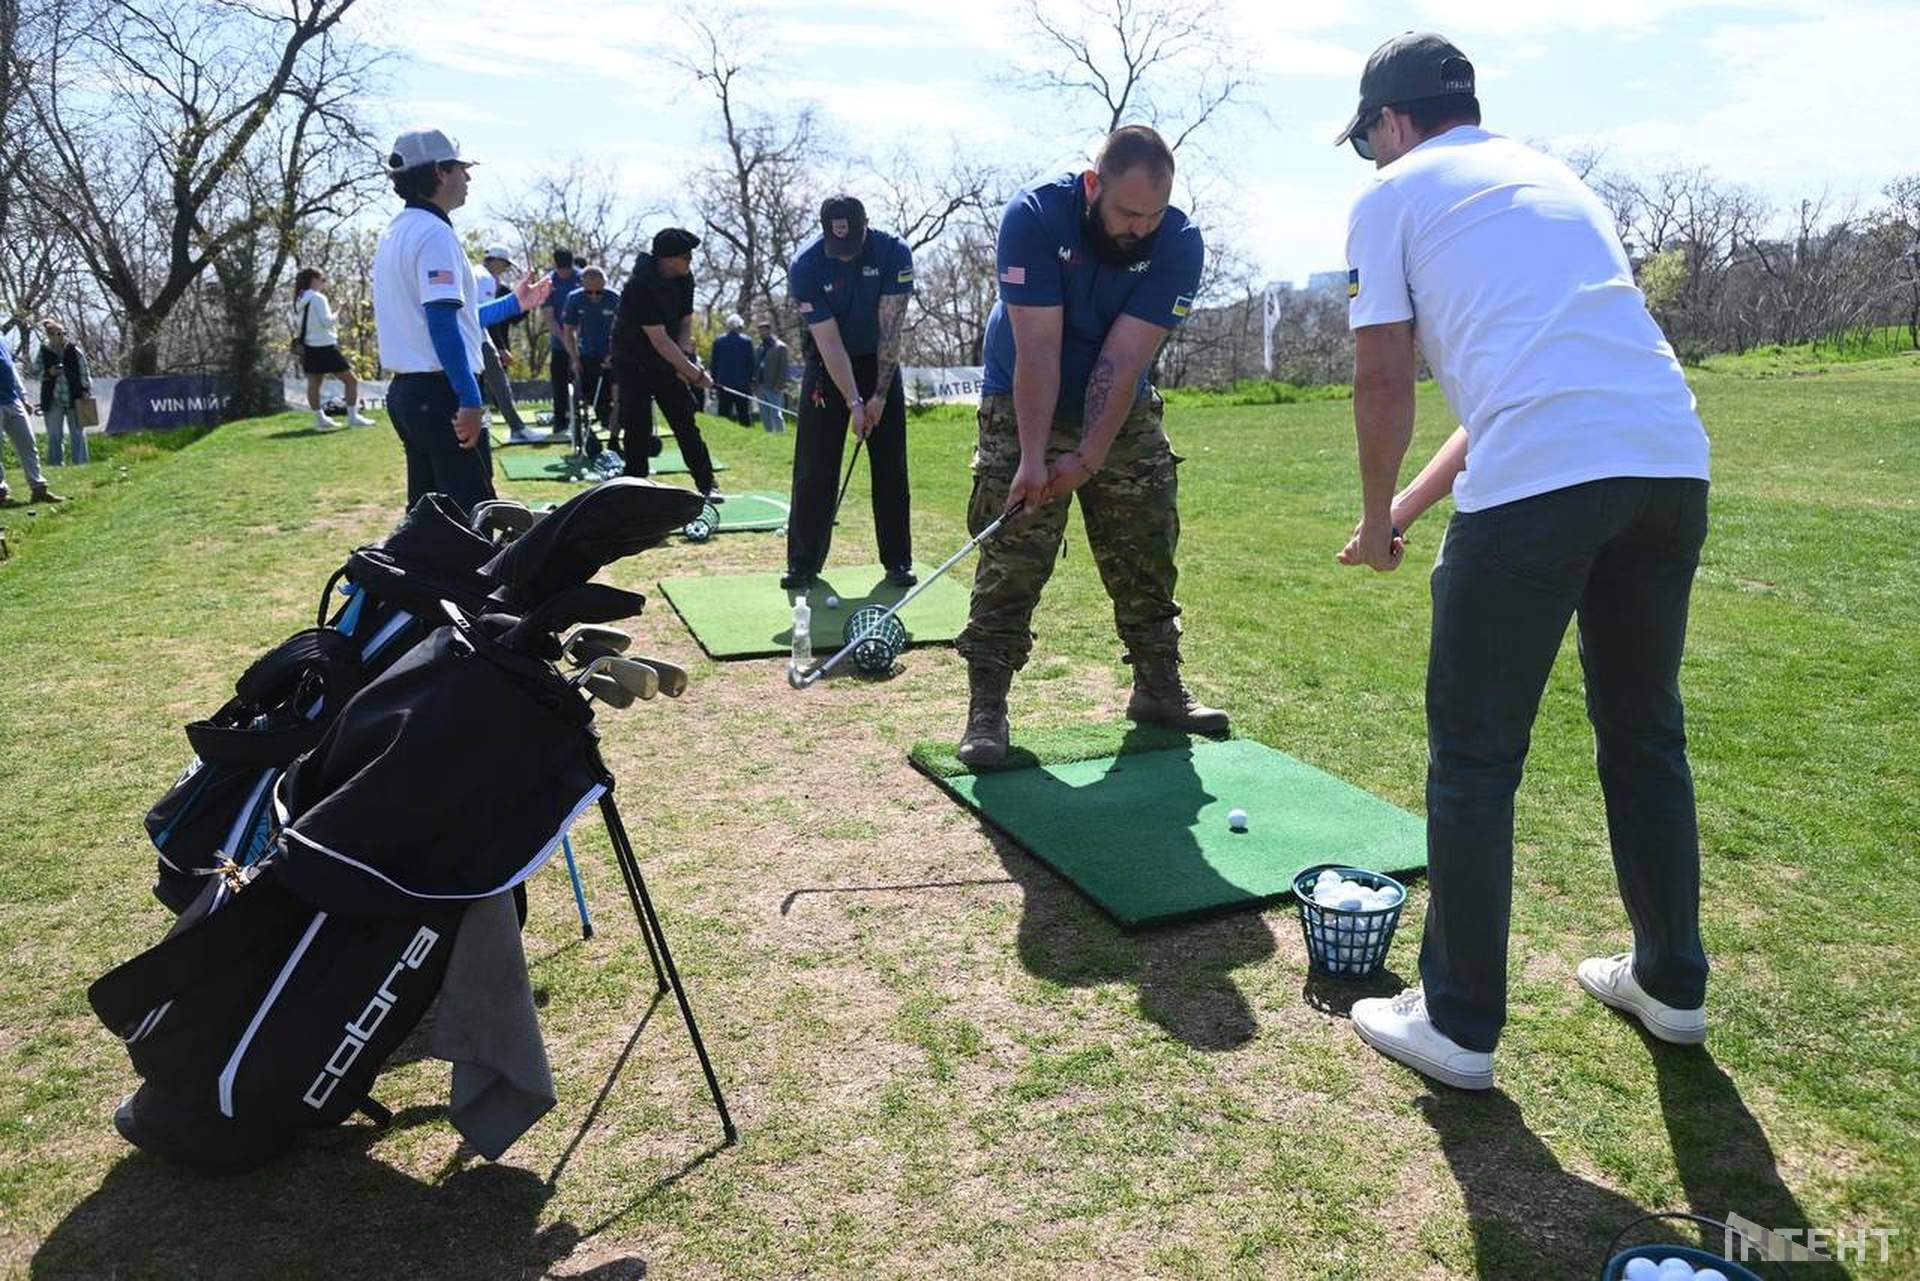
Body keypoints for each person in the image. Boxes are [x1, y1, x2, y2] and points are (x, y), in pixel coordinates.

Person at [1328, 34, 1714, 1091]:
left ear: (1391, 122)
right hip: (1669, 468)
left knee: (1475, 756)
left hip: (1546, 486)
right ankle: (1672, 982)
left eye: (1367, 138)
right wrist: (1398, 512)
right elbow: (1516, 394)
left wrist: (1368, 510)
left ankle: (1455, 1022)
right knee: (1645, 735)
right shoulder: (1553, 179)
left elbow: (1381, 380)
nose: (1370, 158)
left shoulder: (1395, 192)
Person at [953, 127, 1229, 766]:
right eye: (1128, 213)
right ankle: (986, 711)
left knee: (1147, 541)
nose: (1140, 228)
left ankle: (1158, 686)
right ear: (1092, 186)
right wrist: (1032, 458)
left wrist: (1089, 457)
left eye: (1153, 215)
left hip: (1120, 402)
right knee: (1014, 553)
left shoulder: (1179, 242)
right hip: (1022, 392)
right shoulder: (1033, 217)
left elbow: (1126, 355)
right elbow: (1039, 352)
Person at [371, 127, 550, 510]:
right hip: (441, 395)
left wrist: (513, 305)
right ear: (439, 171)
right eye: (461, 168)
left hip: (409, 393)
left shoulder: (396, 232)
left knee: (429, 521)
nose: (467, 177)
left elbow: (456, 318)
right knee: (475, 518)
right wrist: (469, 398)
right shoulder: (435, 234)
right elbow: (441, 323)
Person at [781, 195, 915, 591]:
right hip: (827, 365)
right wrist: (854, 401)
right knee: (814, 467)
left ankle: (898, 561)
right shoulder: (805, 266)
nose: (842, 254)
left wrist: (877, 396)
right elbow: (829, 340)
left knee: (890, 467)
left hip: (879, 362)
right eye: (835, 245)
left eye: (850, 245)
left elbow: (890, 333)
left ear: (865, 226)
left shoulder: (893, 252)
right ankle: (803, 563)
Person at [606, 228, 721, 499]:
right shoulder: (639, 285)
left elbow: (684, 324)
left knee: (684, 421)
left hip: (666, 361)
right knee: (637, 425)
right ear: (668, 258)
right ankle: (636, 489)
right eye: (686, 257)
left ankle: (707, 484)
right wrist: (693, 374)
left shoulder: (685, 279)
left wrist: (684, 365)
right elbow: (659, 340)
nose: (690, 262)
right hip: (632, 361)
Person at [291, 268, 376, 430]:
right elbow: (327, 322)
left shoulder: (299, 298)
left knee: (314, 384)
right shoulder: (317, 298)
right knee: (351, 381)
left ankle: (320, 419)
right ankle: (353, 417)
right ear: (313, 280)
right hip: (325, 347)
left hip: (309, 347)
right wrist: (340, 309)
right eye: (321, 280)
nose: (322, 283)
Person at [561, 265, 620, 443]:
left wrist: (613, 354)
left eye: (598, 292)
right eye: (589, 292)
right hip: (587, 356)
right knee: (591, 395)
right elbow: (568, 331)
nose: (594, 296)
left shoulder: (616, 298)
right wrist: (574, 358)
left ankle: (614, 439)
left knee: (618, 398)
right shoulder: (574, 299)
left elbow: (625, 330)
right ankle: (591, 431)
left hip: (613, 355)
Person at [0, 334, 60, 505]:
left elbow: (10, 368)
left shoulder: (1, 338)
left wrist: (23, 396)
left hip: (12, 400)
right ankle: (0, 493)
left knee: (28, 443)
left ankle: (39, 489)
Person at [480, 245, 533, 441]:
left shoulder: (497, 284)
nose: (505, 268)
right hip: (480, 340)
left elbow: (513, 317)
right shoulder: (482, 278)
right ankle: (516, 428)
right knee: (496, 385)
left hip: (485, 340)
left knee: (496, 385)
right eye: (504, 264)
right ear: (494, 260)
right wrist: (500, 347)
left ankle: (515, 427)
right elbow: (484, 317)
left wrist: (527, 302)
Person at [34, 320, 91, 466]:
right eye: (58, 334)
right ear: (50, 336)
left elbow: (84, 371)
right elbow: (36, 373)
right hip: (53, 399)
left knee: (77, 432)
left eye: (64, 333)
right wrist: (49, 372)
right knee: (54, 435)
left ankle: (81, 463)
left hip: (75, 397)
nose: (62, 336)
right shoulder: (43, 352)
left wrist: (85, 390)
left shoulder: (74, 350)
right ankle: (56, 464)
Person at [544, 248, 584, 437]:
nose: (564, 274)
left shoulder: (582, 278)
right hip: (559, 341)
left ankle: (582, 421)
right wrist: (565, 339)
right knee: (559, 383)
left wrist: (576, 341)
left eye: (567, 270)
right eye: (561, 270)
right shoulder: (549, 282)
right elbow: (549, 317)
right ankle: (560, 422)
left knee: (581, 383)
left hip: (582, 341)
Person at [708, 313, 755, 425]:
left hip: (723, 383)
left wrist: (714, 381)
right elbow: (751, 364)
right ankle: (746, 433)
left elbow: (714, 363)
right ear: (740, 326)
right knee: (743, 413)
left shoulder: (718, 341)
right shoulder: (747, 342)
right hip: (742, 384)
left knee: (724, 413)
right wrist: (751, 381)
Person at [752, 317, 790, 434]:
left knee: (776, 413)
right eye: (760, 330)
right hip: (760, 385)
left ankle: (780, 434)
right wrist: (754, 383)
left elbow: (784, 368)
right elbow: (756, 366)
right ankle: (768, 434)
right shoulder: (759, 347)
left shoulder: (780, 347)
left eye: (764, 330)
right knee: (764, 413)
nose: (762, 333)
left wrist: (780, 384)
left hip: (774, 385)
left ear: (769, 331)